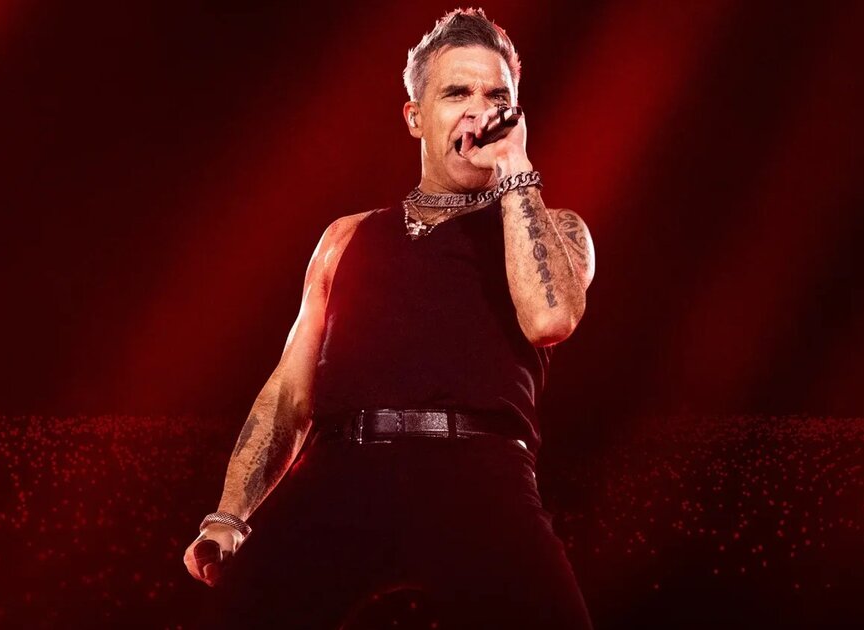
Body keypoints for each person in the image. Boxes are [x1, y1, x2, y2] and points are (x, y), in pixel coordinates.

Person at [182, 8, 595, 629]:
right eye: (457, 93)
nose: (479, 113)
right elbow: (290, 392)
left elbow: (549, 320)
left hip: (481, 475)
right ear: (415, 117)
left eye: (497, 97)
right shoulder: (346, 238)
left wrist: (515, 170)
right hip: (342, 469)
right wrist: (229, 515)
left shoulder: (558, 231)